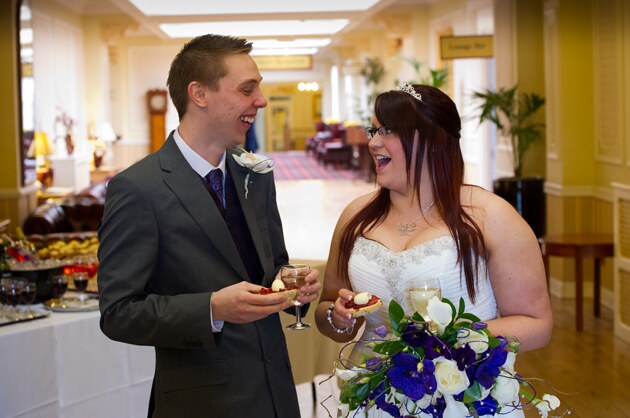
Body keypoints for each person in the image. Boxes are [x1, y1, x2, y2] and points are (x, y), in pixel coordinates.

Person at [97, 34, 321, 418]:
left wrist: (293, 286)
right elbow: (118, 313)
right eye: (247, 89)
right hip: (201, 402)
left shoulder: (257, 174)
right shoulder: (138, 188)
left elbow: (273, 270)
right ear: (199, 94)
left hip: (277, 394)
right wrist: (212, 308)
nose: (261, 101)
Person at [314, 84, 552, 417]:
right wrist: (335, 316)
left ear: (431, 140)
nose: (373, 142)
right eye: (374, 130)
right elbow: (328, 310)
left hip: (463, 398)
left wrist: (451, 339)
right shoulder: (355, 216)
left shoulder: (490, 216)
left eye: (388, 131)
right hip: (373, 399)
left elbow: (537, 324)